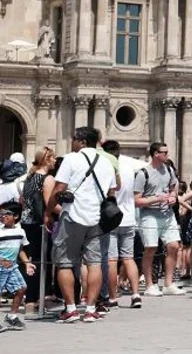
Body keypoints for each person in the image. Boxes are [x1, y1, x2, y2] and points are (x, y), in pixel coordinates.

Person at [46, 126, 117, 323]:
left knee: (65, 262)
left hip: (73, 216)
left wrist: (48, 211)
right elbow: (112, 191)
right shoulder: (107, 162)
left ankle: (70, 308)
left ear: (82, 141)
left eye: (74, 139)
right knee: (94, 263)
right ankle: (91, 308)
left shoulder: (71, 158)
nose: (72, 142)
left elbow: (59, 188)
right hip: (97, 218)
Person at [134, 141, 184, 296]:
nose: (167, 155)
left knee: (174, 246)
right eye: (165, 152)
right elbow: (137, 200)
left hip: (167, 213)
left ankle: (168, 283)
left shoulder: (169, 170)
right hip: (149, 214)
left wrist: (173, 198)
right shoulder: (143, 173)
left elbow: (173, 190)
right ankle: (150, 285)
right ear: (156, 154)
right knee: (150, 248)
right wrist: (156, 199)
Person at [101, 140, 142, 310]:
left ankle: (112, 296)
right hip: (129, 217)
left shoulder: (106, 167)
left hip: (111, 217)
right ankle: (135, 294)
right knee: (128, 258)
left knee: (111, 259)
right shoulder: (129, 167)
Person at [18, 147, 53, 306]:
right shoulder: (47, 179)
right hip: (40, 224)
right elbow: (49, 204)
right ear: (46, 160)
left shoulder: (29, 177)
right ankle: (36, 297)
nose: (54, 161)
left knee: (29, 260)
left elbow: (22, 200)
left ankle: (28, 297)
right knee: (41, 261)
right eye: (52, 158)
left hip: (26, 223)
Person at [0, 201, 34, 331]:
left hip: (12, 267)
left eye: (6, 214)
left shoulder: (21, 232)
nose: (2, 216)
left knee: (21, 288)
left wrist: (27, 263)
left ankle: (12, 316)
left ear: (16, 216)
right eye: (1, 214)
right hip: (1, 267)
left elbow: (21, 250)